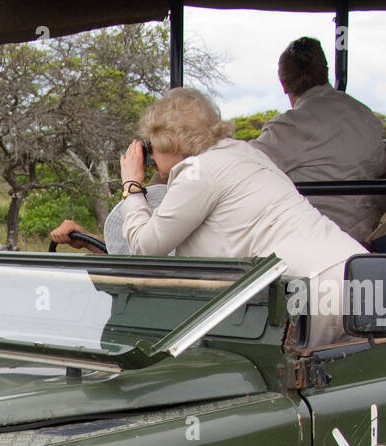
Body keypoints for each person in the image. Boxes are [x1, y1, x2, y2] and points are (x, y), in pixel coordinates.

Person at [50, 87, 366, 347]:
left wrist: (132, 184)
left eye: (151, 147)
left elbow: (146, 249)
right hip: (363, 275)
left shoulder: (197, 171)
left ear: (167, 141)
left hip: (310, 291)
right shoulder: (245, 153)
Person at [250, 37, 386, 242]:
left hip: (313, 233)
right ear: (325, 72)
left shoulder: (291, 126)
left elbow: (245, 165)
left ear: (284, 84)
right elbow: (381, 166)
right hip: (366, 231)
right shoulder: (367, 116)